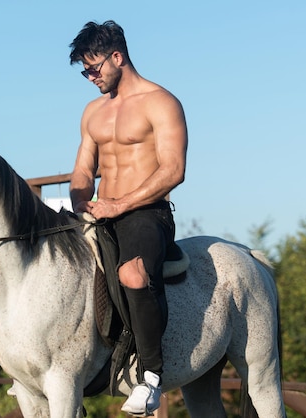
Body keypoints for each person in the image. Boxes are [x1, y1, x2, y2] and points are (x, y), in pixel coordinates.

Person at [68, 20, 188, 416]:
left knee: (132, 274)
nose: (90, 77)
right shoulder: (92, 112)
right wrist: (80, 199)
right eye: (85, 71)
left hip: (146, 213)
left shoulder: (161, 102)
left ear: (117, 56)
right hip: (100, 213)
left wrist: (120, 205)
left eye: (94, 68)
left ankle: (151, 376)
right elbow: (84, 170)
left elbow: (173, 170)